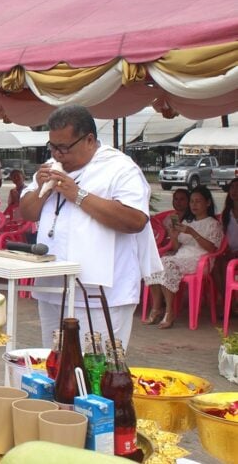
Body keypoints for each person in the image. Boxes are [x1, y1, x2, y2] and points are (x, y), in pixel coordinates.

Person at [20, 104, 161, 349]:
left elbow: (135, 220)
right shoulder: (52, 166)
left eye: (64, 147)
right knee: (53, 361)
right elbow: (26, 211)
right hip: (53, 286)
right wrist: (43, 190)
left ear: (89, 140)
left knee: (97, 368)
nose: (58, 154)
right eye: (52, 146)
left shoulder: (120, 168)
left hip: (101, 293)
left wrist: (78, 194)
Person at [144, 186, 223, 328]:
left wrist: (192, 232)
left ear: (208, 203)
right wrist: (174, 235)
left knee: (167, 264)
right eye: (192, 201)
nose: (194, 205)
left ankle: (169, 312)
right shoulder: (187, 222)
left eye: (198, 201)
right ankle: (156, 309)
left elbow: (212, 248)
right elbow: (176, 248)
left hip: (201, 260)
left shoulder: (213, 224)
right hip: (182, 256)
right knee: (154, 265)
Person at [213, 178, 238, 313]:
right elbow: (223, 237)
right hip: (231, 253)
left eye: (237, 187)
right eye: (232, 187)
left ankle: (230, 304)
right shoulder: (226, 214)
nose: (234, 191)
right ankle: (228, 301)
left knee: (225, 265)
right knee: (216, 265)